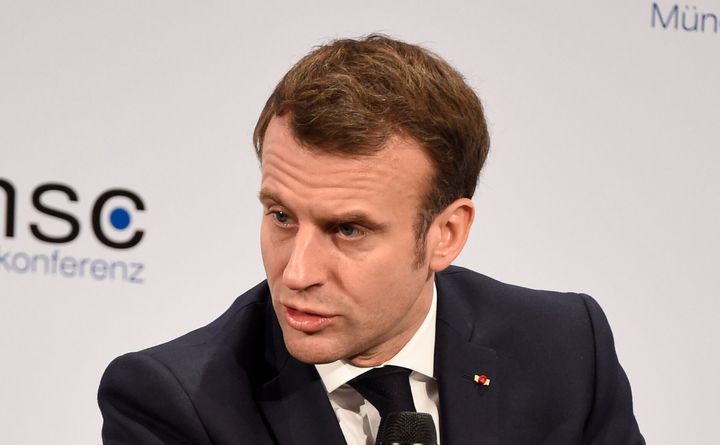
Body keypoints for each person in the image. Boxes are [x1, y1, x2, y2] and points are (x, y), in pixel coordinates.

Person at [98, 35, 644, 444]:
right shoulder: (174, 404)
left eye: (348, 229)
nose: (296, 273)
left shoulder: (566, 350)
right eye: (281, 216)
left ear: (445, 235)